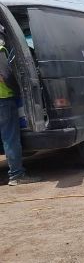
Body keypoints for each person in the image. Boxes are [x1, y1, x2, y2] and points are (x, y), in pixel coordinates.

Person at [0, 27, 39, 185]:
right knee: (10, 138)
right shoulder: (0, 50)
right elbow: (5, 76)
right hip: (4, 100)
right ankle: (17, 175)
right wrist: (19, 89)